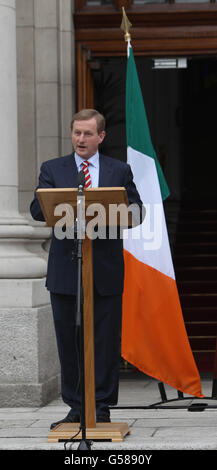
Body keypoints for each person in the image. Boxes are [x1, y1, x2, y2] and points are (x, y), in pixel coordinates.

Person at [30, 109, 143, 428]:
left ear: (101, 137)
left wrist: (117, 208)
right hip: (66, 271)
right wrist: (61, 202)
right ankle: (76, 407)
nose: (81, 139)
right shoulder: (53, 168)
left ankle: (102, 407)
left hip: (104, 270)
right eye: (77, 133)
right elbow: (38, 210)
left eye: (88, 133)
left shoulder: (118, 170)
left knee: (105, 341)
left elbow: (136, 211)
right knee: (70, 339)